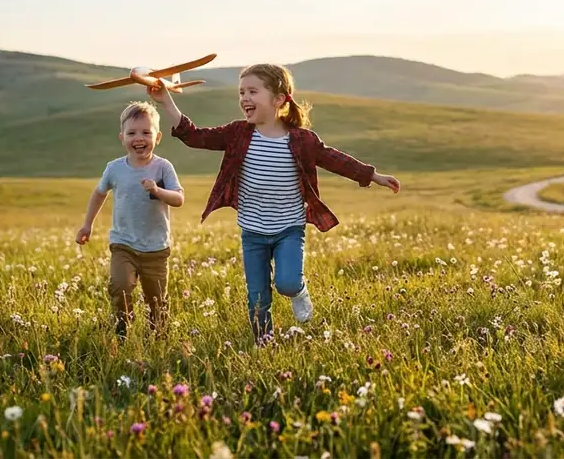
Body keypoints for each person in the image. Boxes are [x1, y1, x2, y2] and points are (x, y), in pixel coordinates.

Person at [147, 63, 400, 345]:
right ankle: (263, 343)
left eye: (253, 91)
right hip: (252, 231)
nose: (244, 98)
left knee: (287, 283)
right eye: (241, 92)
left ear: (279, 99)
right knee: (257, 298)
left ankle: (299, 292)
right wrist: (166, 101)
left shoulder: (302, 140)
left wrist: (373, 175)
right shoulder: (238, 133)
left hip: (289, 229)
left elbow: (335, 160)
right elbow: (195, 136)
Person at [77, 101, 184, 339]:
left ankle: (158, 337)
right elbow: (99, 193)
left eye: (146, 132)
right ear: (122, 137)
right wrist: (87, 224)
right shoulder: (114, 168)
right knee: (120, 287)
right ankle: (122, 330)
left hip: (156, 248)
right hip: (123, 244)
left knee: (156, 300)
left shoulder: (163, 167)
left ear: (157, 137)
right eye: (132, 133)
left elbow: (178, 199)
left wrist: (157, 191)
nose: (139, 138)